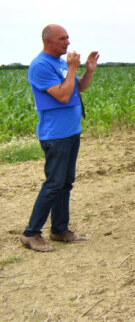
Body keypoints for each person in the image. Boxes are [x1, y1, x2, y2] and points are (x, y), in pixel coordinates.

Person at [21, 24, 98, 252]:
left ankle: (59, 229)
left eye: (68, 38)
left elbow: (77, 88)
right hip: (56, 135)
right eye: (62, 38)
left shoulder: (60, 63)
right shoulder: (40, 65)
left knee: (65, 183)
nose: (68, 42)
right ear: (48, 41)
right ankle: (31, 233)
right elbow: (63, 96)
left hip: (71, 132)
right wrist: (72, 68)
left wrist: (88, 71)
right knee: (54, 183)